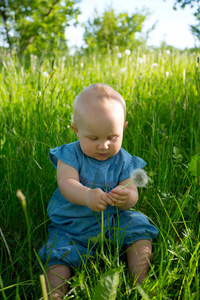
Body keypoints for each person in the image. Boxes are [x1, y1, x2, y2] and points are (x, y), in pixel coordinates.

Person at [39, 83, 159, 299]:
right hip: (72, 225)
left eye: (112, 137)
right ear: (76, 130)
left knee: (139, 228)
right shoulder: (70, 155)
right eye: (93, 138)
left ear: (123, 128)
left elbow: (132, 190)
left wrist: (127, 197)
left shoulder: (125, 160)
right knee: (58, 253)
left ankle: (140, 282)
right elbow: (66, 183)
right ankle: (54, 294)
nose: (103, 146)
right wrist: (86, 195)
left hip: (114, 220)